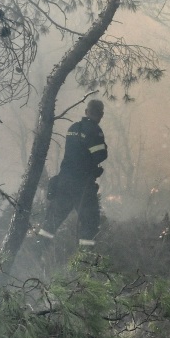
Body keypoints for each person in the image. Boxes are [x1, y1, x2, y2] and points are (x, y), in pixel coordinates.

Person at [34, 99, 109, 252]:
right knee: (90, 222)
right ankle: (84, 261)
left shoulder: (73, 128)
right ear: (101, 114)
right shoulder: (94, 130)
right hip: (82, 186)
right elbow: (100, 155)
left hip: (63, 182)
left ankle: (37, 253)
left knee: (51, 223)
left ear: (86, 112)